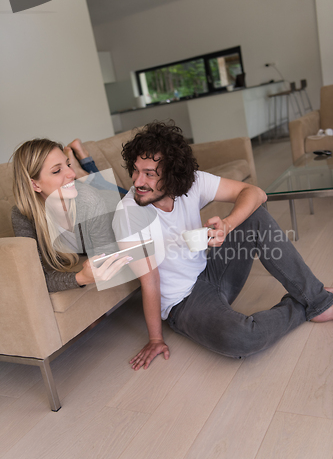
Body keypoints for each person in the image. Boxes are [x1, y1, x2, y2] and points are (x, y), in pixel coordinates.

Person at [112, 120, 333, 371]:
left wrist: (227, 225)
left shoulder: (191, 183)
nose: (138, 181)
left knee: (255, 216)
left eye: (149, 174)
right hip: (183, 303)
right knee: (243, 338)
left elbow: (255, 193)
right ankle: (310, 302)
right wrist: (155, 338)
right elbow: (149, 282)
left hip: (212, 268)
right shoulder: (129, 215)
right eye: (136, 170)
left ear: (173, 175)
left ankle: (316, 298)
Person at [11, 138, 131, 293]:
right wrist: (81, 278)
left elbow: (106, 256)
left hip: (122, 205)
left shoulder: (88, 199)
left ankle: (85, 170)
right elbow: (37, 277)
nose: (71, 173)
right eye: (56, 171)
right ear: (34, 184)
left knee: (141, 203)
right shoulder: (22, 215)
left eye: (68, 165)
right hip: (96, 196)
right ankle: (85, 169)